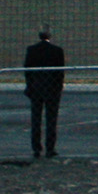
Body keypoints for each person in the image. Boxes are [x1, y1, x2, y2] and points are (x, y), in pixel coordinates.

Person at [22, 27, 65, 158]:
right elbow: (60, 72)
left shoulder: (31, 50)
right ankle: (50, 148)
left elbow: (27, 70)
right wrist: (58, 87)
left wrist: (29, 86)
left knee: (36, 119)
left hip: (36, 88)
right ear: (49, 36)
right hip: (52, 88)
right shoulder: (57, 51)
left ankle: (36, 148)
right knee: (51, 120)